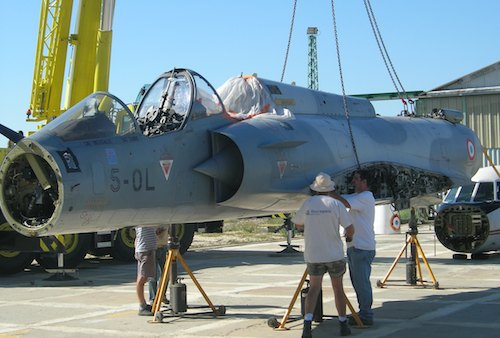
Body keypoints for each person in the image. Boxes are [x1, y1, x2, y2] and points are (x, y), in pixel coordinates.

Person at [292, 172, 354, 337]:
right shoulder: (336, 205)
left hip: (314, 254)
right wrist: (349, 236)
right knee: (338, 289)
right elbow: (350, 228)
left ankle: (307, 325)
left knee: (313, 289)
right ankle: (342, 324)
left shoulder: (308, 203)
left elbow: (297, 225)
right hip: (334, 254)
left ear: (315, 189)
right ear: (329, 189)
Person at [330, 169, 376, 326]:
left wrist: (328, 190)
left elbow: (344, 202)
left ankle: (366, 314)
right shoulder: (358, 196)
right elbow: (342, 200)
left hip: (362, 247)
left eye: (357, 179)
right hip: (355, 246)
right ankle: (363, 312)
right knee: (357, 282)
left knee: (362, 282)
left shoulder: (366, 197)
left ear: (365, 182)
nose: (353, 182)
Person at [134, 226, 157, 316]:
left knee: (143, 277)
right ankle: (142, 306)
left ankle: (143, 304)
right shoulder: (144, 220)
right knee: (142, 279)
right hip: (145, 251)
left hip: (144, 250)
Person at [149, 225, 169, 304]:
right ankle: (153, 298)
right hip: (153, 247)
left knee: (165, 274)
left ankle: (162, 296)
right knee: (153, 276)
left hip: (164, 246)